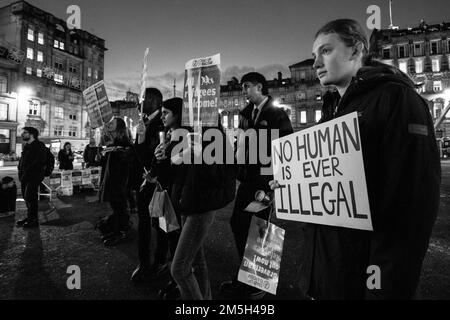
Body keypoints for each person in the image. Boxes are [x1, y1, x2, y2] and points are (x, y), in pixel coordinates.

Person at [270, 19, 440, 299]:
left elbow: (412, 210)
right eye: (314, 55)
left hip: (361, 278)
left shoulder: (397, 99)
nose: (314, 64)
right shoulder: (331, 110)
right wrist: (294, 187)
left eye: (325, 51)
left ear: (355, 50)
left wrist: (382, 289)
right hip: (326, 274)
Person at [220, 72, 293, 299]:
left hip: (265, 182)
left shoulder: (277, 114)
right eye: (242, 86)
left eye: (247, 86)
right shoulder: (244, 115)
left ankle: (258, 282)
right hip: (247, 179)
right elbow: (241, 145)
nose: (244, 90)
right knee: (238, 223)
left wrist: (277, 180)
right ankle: (247, 275)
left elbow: (287, 146)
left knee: (261, 230)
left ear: (260, 87)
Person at [154, 102, 236, 300]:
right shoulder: (185, 137)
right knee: (197, 263)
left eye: (166, 113)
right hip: (185, 204)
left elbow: (222, 177)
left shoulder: (215, 139)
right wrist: (163, 159)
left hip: (201, 207)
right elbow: (174, 176)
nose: (162, 117)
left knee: (179, 269)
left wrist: (201, 160)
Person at [130, 88, 166, 282]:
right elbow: (138, 156)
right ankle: (144, 262)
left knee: (160, 224)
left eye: (143, 99)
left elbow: (152, 158)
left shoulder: (162, 123)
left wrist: (142, 139)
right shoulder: (145, 122)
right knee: (144, 224)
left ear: (154, 101)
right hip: (143, 182)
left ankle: (159, 261)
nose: (139, 102)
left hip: (156, 183)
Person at [98, 117, 134, 246]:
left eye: (112, 123)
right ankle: (117, 229)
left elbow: (129, 158)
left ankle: (121, 231)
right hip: (110, 179)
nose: (108, 124)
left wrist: (119, 152)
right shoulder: (110, 142)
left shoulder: (123, 141)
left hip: (119, 181)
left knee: (120, 206)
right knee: (115, 206)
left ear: (119, 127)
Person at [16, 127, 47, 228]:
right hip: (24, 176)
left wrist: (28, 171)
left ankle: (33, 220)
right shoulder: (27, 145)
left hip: (34, 176)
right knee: (26, 197)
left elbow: (39, 161)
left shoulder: (39, 145)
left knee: (30, 197)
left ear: (32, 134)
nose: (22, 134)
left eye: (25, 132)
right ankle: (30, 217)